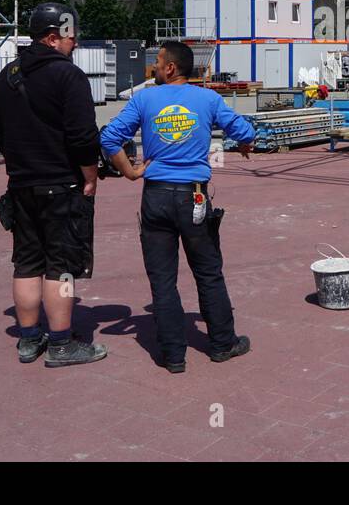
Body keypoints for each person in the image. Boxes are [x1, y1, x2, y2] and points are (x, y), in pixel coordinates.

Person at [101, 40, 257, 374]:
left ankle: (173, 356)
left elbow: (109, 138)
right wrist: (244, 143)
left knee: (162, 280)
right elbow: (246, 130)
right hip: (193, 197)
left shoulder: (143, 99)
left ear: (171, 67)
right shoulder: (208, 99)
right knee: (208, 273)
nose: (154, 67)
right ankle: (222, 344)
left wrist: (129, 171)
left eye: (157, 62)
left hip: (155, 197)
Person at [0, 2, 105, 368]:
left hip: (21, 185)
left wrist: (19, 166)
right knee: (61, 266)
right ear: (55, 36)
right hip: (61, 185)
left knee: (25, 263)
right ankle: (60, 344)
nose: (75, 45)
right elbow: (83, 136)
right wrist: (90, 174)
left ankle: (28, 340)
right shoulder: (67, 76)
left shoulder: (8, 74)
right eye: (72, 37)